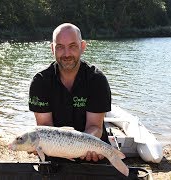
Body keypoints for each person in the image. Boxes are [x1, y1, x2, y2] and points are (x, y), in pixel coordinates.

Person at [28, 22, 111, 163]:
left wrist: (84, 147)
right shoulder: (40, 82)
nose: (66, 54)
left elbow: (94, 127)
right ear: (52, 49)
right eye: (60, 47)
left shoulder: (97, 80)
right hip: (55, 156)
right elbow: (45, 127)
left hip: (93, 154)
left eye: (72, 46)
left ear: (82, 46)